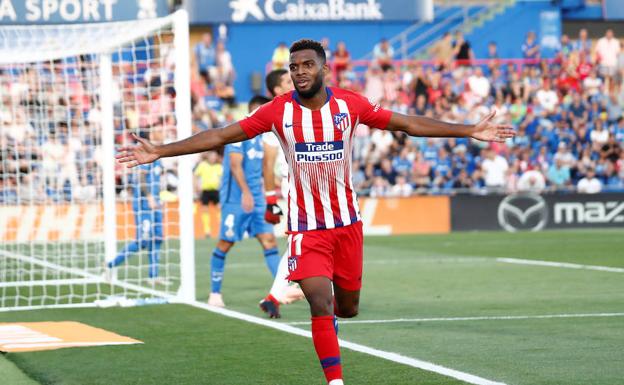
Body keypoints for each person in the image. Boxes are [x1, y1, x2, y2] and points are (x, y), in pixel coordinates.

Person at [116, 39, 514, 385]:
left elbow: (407, 123)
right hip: (306, 229)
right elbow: (221, 135)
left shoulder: (350, 105)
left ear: (324, 68)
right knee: (319, 303)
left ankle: (336, 320)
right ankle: (335, 379)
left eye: (307, 65)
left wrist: (468, 129)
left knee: (347, 308)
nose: (300, 72)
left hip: (348, 226)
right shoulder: (277, 112)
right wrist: (160, 150)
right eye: (294, 67)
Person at [205, 95, 282, 307]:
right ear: (255, 111)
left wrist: (273, 189)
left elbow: (265, 168)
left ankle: (280, 291)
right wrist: (246, 193)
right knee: (225, 243)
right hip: (236, 200)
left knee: (269, 241)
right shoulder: (239, 133)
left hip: (257, 199)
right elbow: (235, 165)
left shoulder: (265, 137)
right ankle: (215, 293)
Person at [258, 68, 306, 318]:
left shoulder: (300, 108)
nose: (294, 81)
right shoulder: (275, 115)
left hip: (305, 184)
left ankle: (277, 294)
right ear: (277, 90)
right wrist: (269, 199)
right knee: (302, 240)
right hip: (294, 187)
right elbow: (268, 162)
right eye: (288, 80)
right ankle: (278, 293)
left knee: (302, 241)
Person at [107, 131, 164, 284]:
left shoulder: (158, 155)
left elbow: (158, 178)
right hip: (144, 203)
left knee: (157, 238)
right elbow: (141, 177)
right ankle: (110, 265)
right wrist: (150, 197)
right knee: (143, 241)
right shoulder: (144, 155)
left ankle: (153, 275)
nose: (162, 132)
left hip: (157, 202)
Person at [194, 151, 222, 237]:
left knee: (220, 209)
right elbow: (195, 175)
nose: (213, 158)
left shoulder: (219, 166)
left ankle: (222, 229)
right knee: (205, 209)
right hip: (205, 190)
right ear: (208, 157)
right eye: (212, 156)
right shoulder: (203, 165)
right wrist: (196, 186)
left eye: (214, 156)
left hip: (216, 190)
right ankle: (207, 231)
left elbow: (223, 178)